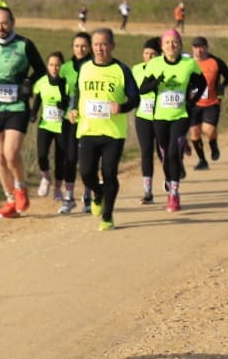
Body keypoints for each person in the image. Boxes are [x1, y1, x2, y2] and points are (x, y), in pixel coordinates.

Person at [0, 5, 46, 218]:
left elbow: (41, 69)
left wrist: (29, 82)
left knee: (10, 153)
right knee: (0, 158)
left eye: (4, 23)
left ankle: (20, 187)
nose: (0, 27)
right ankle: (10, 200)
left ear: (12, 23)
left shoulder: (24, 45)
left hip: (17, 106)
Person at [67, 28, 140, 230]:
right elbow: (76, 93)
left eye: (104, 44)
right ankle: (98, 194)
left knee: (109, 173)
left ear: (112, 46)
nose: (100, 48)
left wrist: (122, 107)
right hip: (88, 129)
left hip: (113, 132)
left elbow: (135, 98)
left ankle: (107, 216)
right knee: (87, 173)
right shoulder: (84, 68)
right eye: (96, 44)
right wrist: (72, 109)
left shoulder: (122, 70)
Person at [139, 30, 205, 212]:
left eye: (175, 42)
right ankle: (169, 181)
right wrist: (155, 83)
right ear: (162, 46)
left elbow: (203, 83)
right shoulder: (155, 64)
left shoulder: (188, 64)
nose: (171, 45)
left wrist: (192, 101)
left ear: (180, 45)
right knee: (165, 155)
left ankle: (174, 194)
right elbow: (143, 89)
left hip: (180, 116)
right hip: (159, 117)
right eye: (167, 42)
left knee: (174, 153)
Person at [57, 31, 92, 214]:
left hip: (89, 119)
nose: (80, 49)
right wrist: (63, 105)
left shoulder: (94, 66)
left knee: (87, 160)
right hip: (69, 120)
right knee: (69, 159)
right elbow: (60, 92)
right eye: (77, 46)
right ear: (72, 47)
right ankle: (69, 197)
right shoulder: (66, 68)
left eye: (84, 46)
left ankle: (88, 195)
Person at [186, 36, 228, 170]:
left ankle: (213, 144)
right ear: (192, 49)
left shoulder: (215, 61)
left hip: (211, 102)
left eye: (201, 47)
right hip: (194, 104)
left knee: (208, 130)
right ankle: (202, 160)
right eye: (196, 47)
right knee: (194, 132)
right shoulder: (188, 63)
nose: (199, 50)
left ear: (206, 47)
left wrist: (222, 86)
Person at [29, 52, 70, 201]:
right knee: (41, 155)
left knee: (61, 159)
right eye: (52, 65)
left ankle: (58, 189)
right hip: (45, 125)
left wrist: (63, 104)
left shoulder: (66, 84)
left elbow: (70, 103)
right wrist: (33, 114)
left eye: (58, 65)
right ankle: (46, 177)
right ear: (48, 66)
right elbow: (38, 100)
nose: (54, 68)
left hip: (61, 126)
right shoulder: (42, 82)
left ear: (62, 67)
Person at [133, 37, 161, 204]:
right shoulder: (136, 70)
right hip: (143, 116)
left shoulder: (163, 69)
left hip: (162, 116)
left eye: (153, 54)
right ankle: (148, 191)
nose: (149, 57)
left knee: (163, 152)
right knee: (146, 152)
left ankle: (170, 184)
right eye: (146, 53)